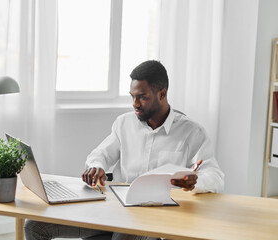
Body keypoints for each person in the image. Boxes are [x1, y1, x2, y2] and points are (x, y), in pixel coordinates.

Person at [24, 60, 224, 240]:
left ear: (162, 94)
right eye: (132, 97)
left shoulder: (192, 132)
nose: (135, 104)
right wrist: (96, 166)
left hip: (155, 216)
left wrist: (195, 182)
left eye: (142, 97)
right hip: (115, 208)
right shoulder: (124, 124)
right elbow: (99, 154)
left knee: (123, 235)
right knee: (34, 226)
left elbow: (215, 175)